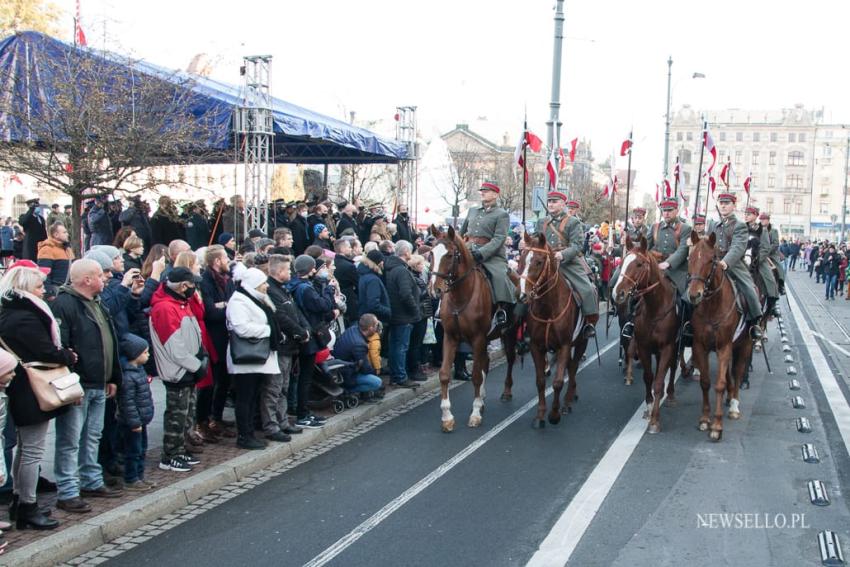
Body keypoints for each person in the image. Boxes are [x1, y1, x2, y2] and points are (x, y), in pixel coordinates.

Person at [0, 263, 77, 529]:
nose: (43, 290)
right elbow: (46, 351)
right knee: (32, 449)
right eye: (38, 286)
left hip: (19, 386)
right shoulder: (25, 317)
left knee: (25, 448)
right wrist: (67, 355)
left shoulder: (8, 313)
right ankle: (27, 507)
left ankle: (22, 502)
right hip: (31, 389)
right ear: (24, 289)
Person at [51, 259, 124, 513]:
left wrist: (113, 377)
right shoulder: (65, 304)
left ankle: (91, 479)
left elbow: (109, 341)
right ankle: (68, 490)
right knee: (70, 439)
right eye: (100, 276)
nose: (105, 279)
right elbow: (62, 348)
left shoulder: (97, 304)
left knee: (93, 435)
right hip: (79, 384)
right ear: (86, 280)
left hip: (99, 381)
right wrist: (72, 383)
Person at [149, 267, 207, 471]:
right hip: (178, 370)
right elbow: (174, 346)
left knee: (187, 413)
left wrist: (201, 355)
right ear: (183, 286)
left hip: (188, 368)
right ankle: (171, 454)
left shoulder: (181, 303)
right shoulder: (165, 308)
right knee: (177, 415)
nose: (194, 288)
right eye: (192, 284)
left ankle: (180, 449)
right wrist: (196, 365)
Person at [226, 268, 281, 448]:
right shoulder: (239, 300)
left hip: (258, 357)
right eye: (263, 283)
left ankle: (250, 433)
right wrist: (268, 331)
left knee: (252, 397)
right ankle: (244, 435)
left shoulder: (255, 297)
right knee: (245, 397)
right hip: (246, 358)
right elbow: (241, 327)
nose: (266, 286)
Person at [538, 193, 599, 338]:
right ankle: (520, 322)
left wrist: (562, 254)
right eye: (549, 201)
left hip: (567, 263)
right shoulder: (542, 221)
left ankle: (589, 322)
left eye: (555, 201)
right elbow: (537, 240)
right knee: (526, 285)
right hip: (545, 262)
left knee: (588, 289)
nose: (551, 204)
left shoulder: (573, 222)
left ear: (563, 204)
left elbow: (577, 246)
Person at [460, 182, 516, 333]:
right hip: (469, 250)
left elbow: (499, 238)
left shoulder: (501, 214)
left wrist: (482, 253)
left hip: (492, 256)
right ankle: (442, 307)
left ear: (495, 194)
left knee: (499, 276)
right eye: (482, 191)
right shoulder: (472, 211)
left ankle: (500, 310)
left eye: (486, 191)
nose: (483, 193)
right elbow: (461, 233)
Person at [265, 255, 310, 439]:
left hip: (290, 346)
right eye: (288, 270)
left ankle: (282, 421)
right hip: (281, 346)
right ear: (279, 271)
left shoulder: (283, 289)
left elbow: (295, 311)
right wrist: (298, 331)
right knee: (274, 388)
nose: (290, 272)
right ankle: (272, 426)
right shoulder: (271, 291)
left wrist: (304, 329)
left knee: (284, 386)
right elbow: (281, 317)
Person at [288, 255, 335, 429]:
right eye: (314, 268)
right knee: (305, 377)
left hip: (306, 332)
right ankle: (302, 413)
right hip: (309, 334)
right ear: (309, 269)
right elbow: (322, 306)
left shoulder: (297, 286)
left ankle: (303, 410)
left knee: (302, 377)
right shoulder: (305, 289)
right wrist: (328, 290)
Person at [707, 193, 763, 338]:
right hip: (713, 264)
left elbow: (738, 247)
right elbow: (707, 244)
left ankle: (755, 323)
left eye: (727, 203)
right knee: (693, 288)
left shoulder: (740, 226)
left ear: (734, 206)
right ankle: (688, 322)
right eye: (721, 203)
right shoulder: (713, 224)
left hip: (733, 265)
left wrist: (725, 262)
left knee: (749, 289)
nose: (723, 206)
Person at [199, 245, 237, 440]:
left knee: (224, 381)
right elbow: (210, 312)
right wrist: (227, 307)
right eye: (225, 258)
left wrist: (223, 305)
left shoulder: (225, 280)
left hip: (224, 336)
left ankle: (217, 417)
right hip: (214, 338)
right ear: (216, 262)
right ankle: (207, 421)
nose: (228, 261)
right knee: (215, 383)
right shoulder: (206, 281)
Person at [116, 334, 155, 491]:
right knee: (133, 451)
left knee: (141, 449)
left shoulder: (139, 371)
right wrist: (134, 422)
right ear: (135, 355)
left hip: (141, 419)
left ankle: (140, 475)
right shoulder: (128, 377)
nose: (148, 355)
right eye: (145, 353)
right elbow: (127, 402)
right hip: (134, 422)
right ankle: (131, 478)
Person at [384, 241, 421, 388]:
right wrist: (415, 311)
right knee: (400, 347)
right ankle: (400, 376)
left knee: (395, 346)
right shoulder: (401, 270)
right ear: (406, 252)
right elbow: (406, 294)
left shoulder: (393, 268)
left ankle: (396, 375)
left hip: (396, 313)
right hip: (403, 314)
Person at [333, 314, 384, 397]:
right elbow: (366, 369)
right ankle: (347, 390)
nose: (377, 327)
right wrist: (375, 372)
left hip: (341, 368)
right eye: (376, 325)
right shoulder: (359, 344)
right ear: (370, 328)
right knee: (377, 382)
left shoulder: (353, 329)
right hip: (346, 375)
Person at [744, 207, 779, 317]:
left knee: (770, 279)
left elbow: (766, 247)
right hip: (743, 258)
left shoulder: (762, 230)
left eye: (749, 214)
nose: (746, 216)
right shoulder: (742, 228)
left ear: (755, 216)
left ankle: (772, 304)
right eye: (745, 214)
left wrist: (758, 259)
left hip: (758, 259)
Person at [36, 222, 74, 296]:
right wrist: (49, 293)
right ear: (56, 235)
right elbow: (44, 274)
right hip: (55, 292)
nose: (67, 234)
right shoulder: (47, 249)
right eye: (64, 232)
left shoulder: (68, 249)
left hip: (67, 291)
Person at [357, 249, 391, 324]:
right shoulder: (373, 280)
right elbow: (373, 304)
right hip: (375, 321)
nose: (383, 263)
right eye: (382, 261)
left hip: (367, 318)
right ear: (378, 262)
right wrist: (388, 311)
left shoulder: (364, 275)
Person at [334, 239, 359, 327]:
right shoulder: (348, 266)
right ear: (342, 249)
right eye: (349, 247)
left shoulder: (334, 262)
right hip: (350, 301)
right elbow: (358, 283)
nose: (351, 249)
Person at [759, 212, 785, 295]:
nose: (762, 221)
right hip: (759, 253)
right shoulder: (757, 229)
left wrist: (767, 251)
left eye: (764, 219)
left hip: (771, 254)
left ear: (768, 220)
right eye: (761, 219)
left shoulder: (773, 231)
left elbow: (775, 243)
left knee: (779, 267)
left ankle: (781, 285)